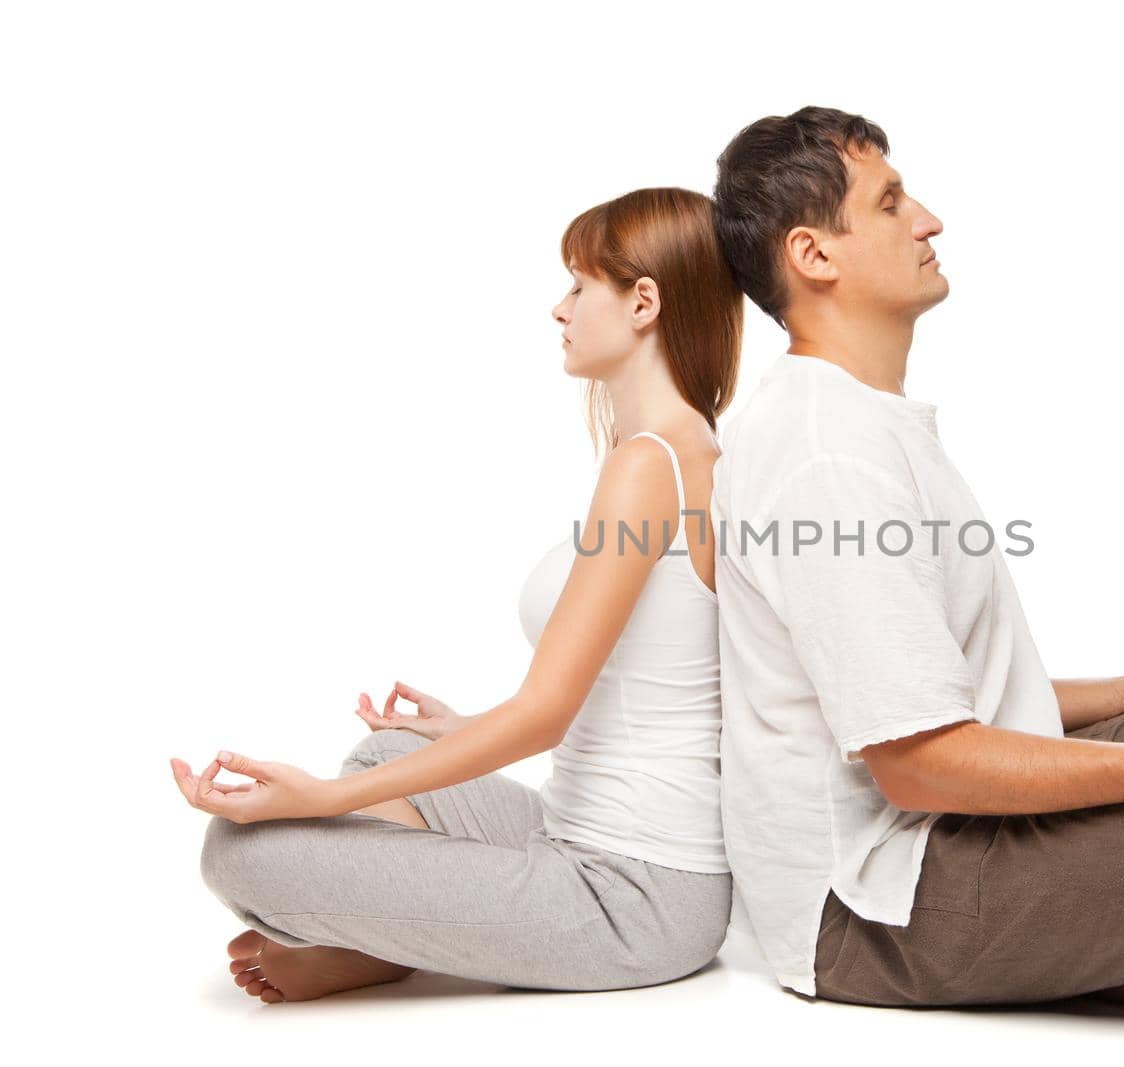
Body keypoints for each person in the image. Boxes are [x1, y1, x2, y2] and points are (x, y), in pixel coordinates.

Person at [708, 106, 1124, 1017]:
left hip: (939, 829)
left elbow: (942, 695)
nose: (929, 219)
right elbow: (918, 764)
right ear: (814, 256)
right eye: (891, 201)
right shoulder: (829, 455)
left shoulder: (858, 420)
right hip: (872, 902)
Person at [170, 186, 743, 1003]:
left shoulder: (650, 464)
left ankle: (377, 943)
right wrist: (458, 728)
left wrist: (326, 798)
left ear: (643, 301)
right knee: (392, 755)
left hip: (633, 895)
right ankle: (386, 938)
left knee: (239, 851)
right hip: (570, 829)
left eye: (581, 287)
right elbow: (634, 692)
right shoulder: (682, 448)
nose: (560, 307)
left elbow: (544, 713)